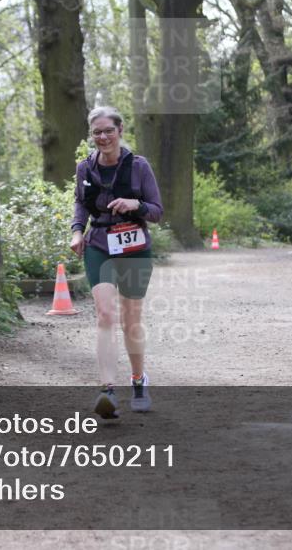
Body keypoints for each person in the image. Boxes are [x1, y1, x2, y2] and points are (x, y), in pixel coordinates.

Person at [70, 106, 163, 419]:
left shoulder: (138, 166)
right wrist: (76, 232)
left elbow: (157, 211)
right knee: (105, 314)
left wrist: (135, 204)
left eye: (109, 130)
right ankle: (107, 390)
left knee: (131, 319)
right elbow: (81, 204)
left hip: (134, 246)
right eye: (97, 132)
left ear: (120, 130)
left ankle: (138, 381)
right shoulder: (85, 168)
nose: (103, 137)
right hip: (99, 244)